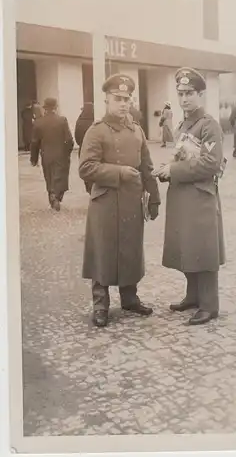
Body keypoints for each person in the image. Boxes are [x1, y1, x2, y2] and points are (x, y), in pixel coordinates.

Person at [78, 73, 161, 328]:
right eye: (118, 98)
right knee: (102, 250)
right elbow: (86, 168)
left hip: (130, 200)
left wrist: (154, 196)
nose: (123, 103)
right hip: (104, 202)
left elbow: (146, 164)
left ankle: (129, 298)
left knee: (129, 248)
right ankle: (100, 305)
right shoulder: (96, 131)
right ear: (106, 100)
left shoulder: (136, 130)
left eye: (127, 98)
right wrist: (118, 172)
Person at [153, 67, 225, 326]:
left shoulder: (209, 126)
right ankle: (193, 296)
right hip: (184, 195)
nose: (184, 99)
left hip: (201, 197)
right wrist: (166, 169)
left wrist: (173, 170)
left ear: (201, 95)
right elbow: (181, 157)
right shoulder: (183, 124)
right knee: (188, 246)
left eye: (190, 93)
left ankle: (209, 305)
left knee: (203, 249)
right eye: (181, 93)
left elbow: (211, 164)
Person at [30, 97, 74, 211]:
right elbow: (69, 139)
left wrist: (33, 159)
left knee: (49, 176)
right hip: (61, 154)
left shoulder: (39, 122)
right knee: (60, 176)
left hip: (46, 155)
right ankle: (57, 196)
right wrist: (67, 152)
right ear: (56, 107)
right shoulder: (62, 120)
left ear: (45, 108)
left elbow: (34, 142)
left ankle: (52, 194)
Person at [75, 102, 95, 194]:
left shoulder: (79, 121)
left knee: (85, 169)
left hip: (83, 149)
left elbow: (76, 136)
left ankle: (89, 188)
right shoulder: (95, 121)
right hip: (95, 150)